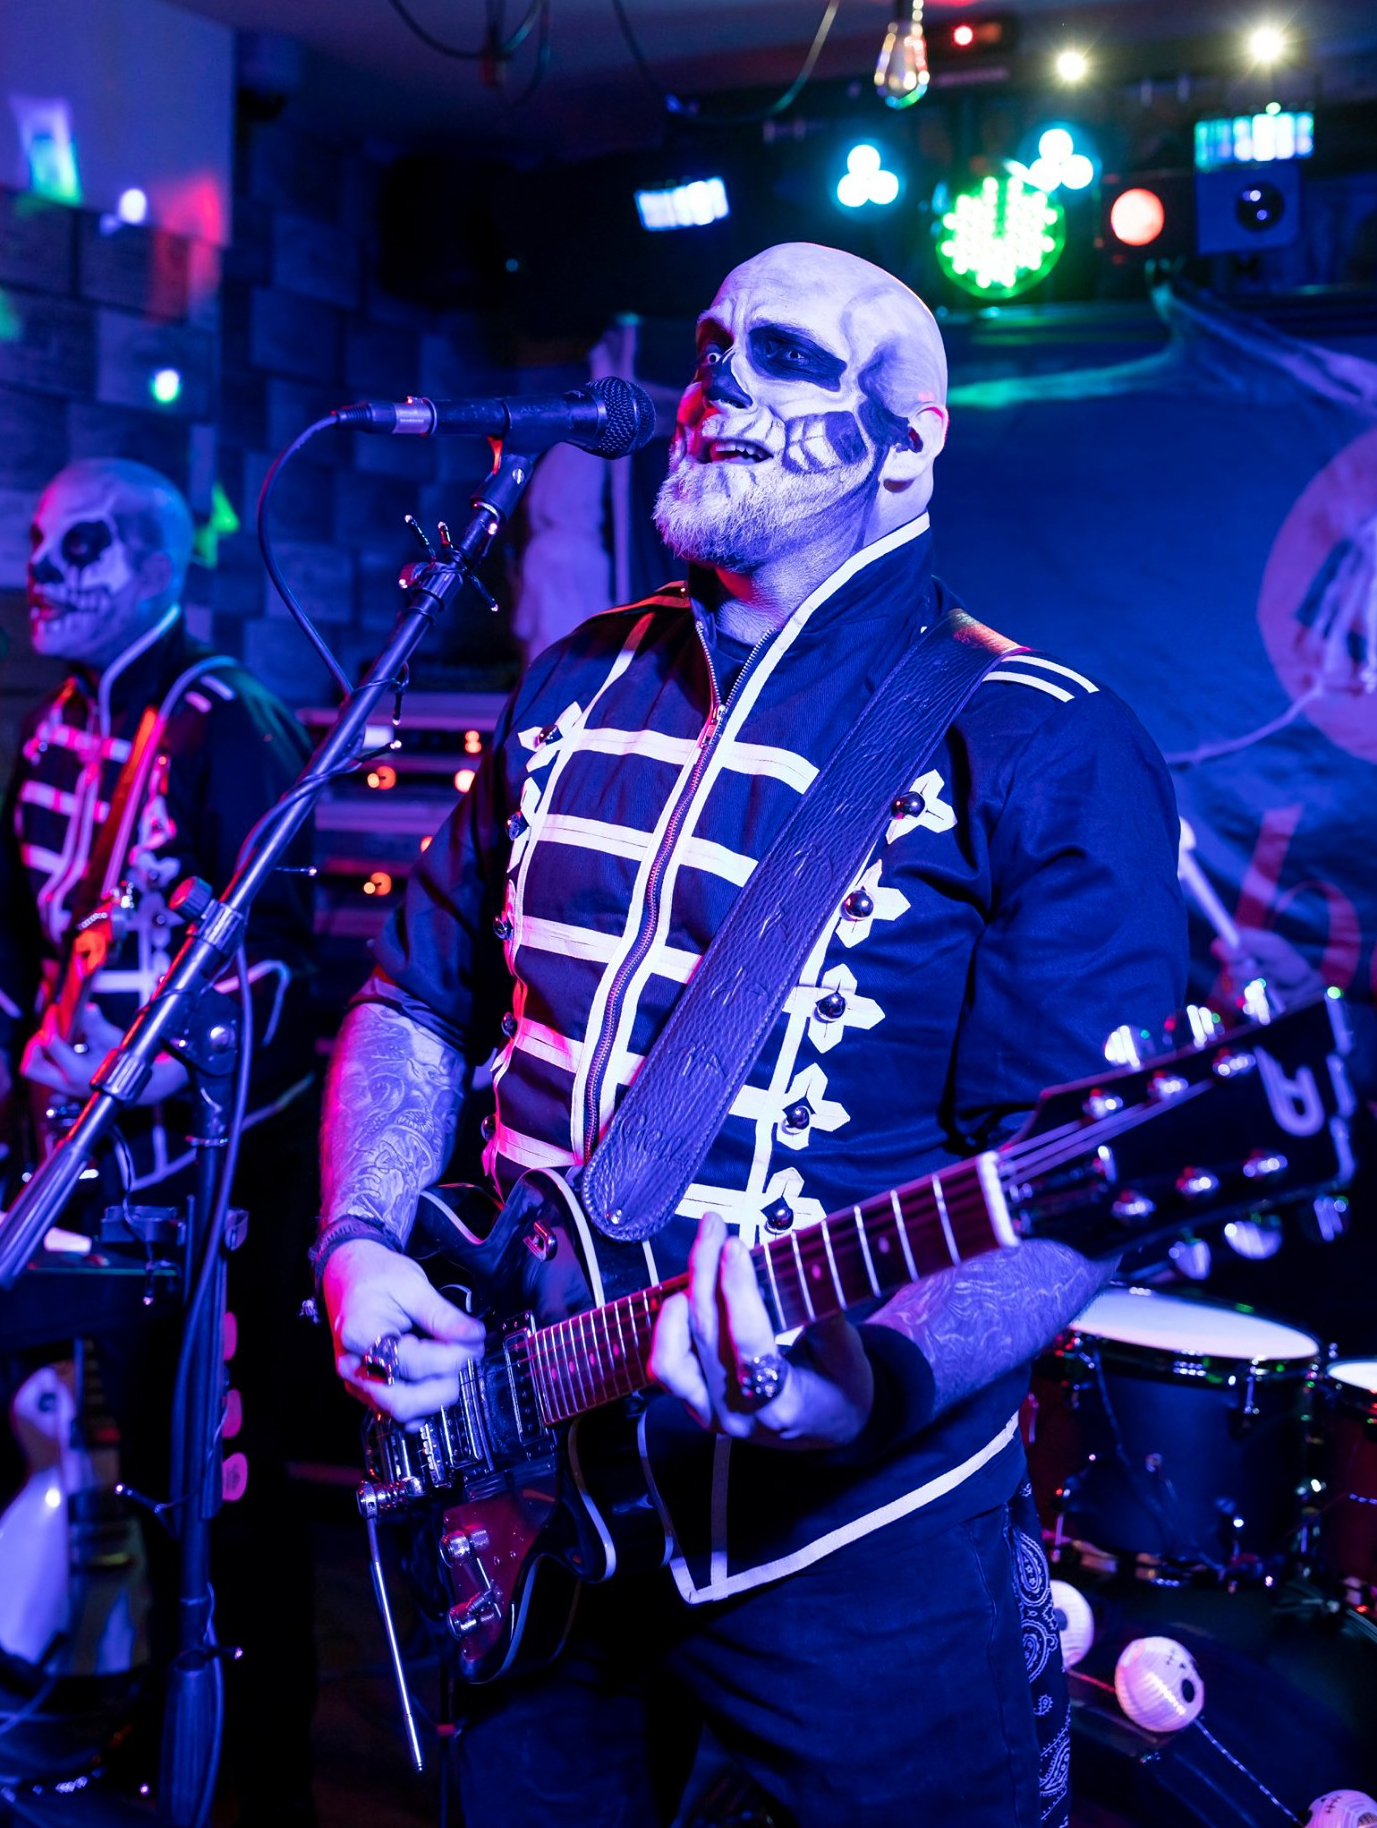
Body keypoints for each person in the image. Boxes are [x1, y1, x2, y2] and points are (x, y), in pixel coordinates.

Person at [315, 244, 1188, 1828]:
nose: (714, 380)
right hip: (536, 1501)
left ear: (908, 443)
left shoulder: (1039, 743)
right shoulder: (573, 683)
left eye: (780, 354)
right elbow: (413, 996)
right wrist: (361, 1243)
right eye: (709, 343)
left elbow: (1076, 1191)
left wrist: (870, 1380)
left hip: (857, 1559)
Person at [0, 458, 319, 1825]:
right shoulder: (54, 725)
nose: (40, 576)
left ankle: (250, 1778)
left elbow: (284, 963)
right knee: (90, 1457)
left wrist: (147, 1075)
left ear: (151, 565)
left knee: (217, 1477)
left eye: (76, 549)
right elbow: (18, 942)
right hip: (74, 1177)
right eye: (36, 545)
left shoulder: (225, 721)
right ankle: (101, 1731)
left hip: (204, 1191)